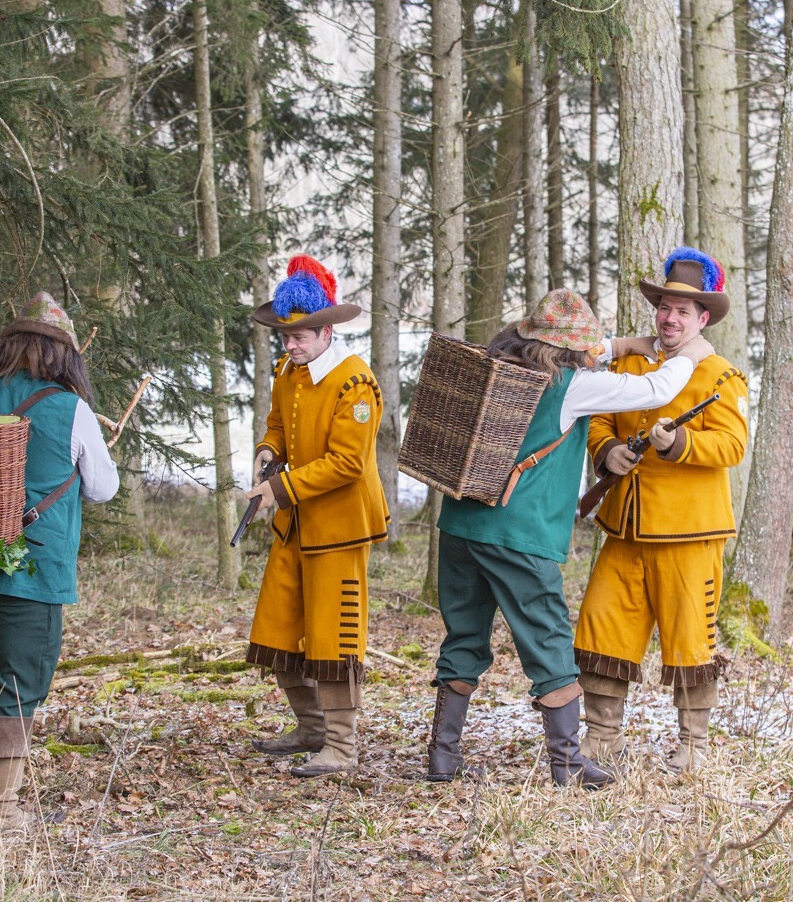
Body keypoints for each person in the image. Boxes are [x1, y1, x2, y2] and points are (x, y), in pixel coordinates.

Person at [423, 289, 709, 788]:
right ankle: (568, 762)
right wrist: (689, 355)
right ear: (571, 350)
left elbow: (595, 350)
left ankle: (442, 758)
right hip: (518, 532)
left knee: (464, 636)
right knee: (551, 643)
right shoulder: (572, 385)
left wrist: (622, 344)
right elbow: (655, 391)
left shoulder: (501, 361)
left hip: (460, 527)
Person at [0, 294, 119, 835]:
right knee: (16, 683)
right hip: (32, 574)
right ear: (63, 356)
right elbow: (104, 488)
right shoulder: (69, 408)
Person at [574, 248, 750, 770]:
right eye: (665, 308)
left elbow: (733, 446)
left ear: (703, 319)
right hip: (625, 526)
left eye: (683, 311)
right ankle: (602, 739)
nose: (670, 319)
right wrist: (608, 451)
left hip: (690, 532)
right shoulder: (629, 364)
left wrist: (678, 446)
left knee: (690, 639)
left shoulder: (723, 377)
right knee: (601, 627)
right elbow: (600, 419)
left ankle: (694, 747)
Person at [239, 255, 388, 777]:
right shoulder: (289, 371)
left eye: (300, 336)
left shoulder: (356, 383)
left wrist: (278, 488)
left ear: (326, 331)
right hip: (294, 526)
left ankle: (342, 748)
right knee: (277, 629)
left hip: (341, 528)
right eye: (285, 336)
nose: (290, 345)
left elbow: (348, 464)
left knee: (335, 634)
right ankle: (312, 727)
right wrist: (265, 452)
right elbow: (277, 423)